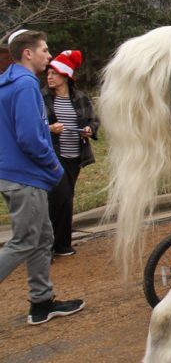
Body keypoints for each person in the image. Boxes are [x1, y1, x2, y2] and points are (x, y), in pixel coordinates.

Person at [0, 30, 85, 325]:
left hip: (16, 174)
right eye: (45, 50)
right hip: (27, 176)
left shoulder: (8, 81)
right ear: (28, 53)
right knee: (24, 241)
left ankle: (41, 302)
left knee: (42, 238)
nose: (49, 56)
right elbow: (30, 138)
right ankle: (41, 301)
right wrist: (53, 167)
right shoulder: (25, 85)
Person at [41, 50, 99, 257]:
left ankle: (62, 243)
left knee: (66, 198)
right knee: (60, 196)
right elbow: (33, 125)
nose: (49, 77)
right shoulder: (42, 98)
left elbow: (93, 120)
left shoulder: (80, 98)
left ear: (65, 75)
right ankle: (47, 247)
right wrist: (50, 129)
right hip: (53, 155)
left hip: (76, 155)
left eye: (54, 73)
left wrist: (90, 130)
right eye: (48, 73)